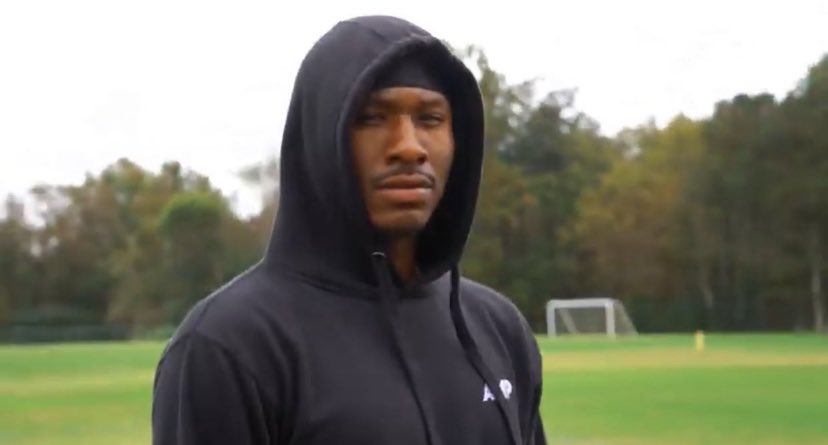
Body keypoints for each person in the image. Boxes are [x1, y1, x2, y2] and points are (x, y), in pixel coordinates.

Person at [151, 14, 546, 445]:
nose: (408, 147)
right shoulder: (229, 345)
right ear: (322, 136)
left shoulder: (498, 329)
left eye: (430, 118)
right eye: (372, 118)